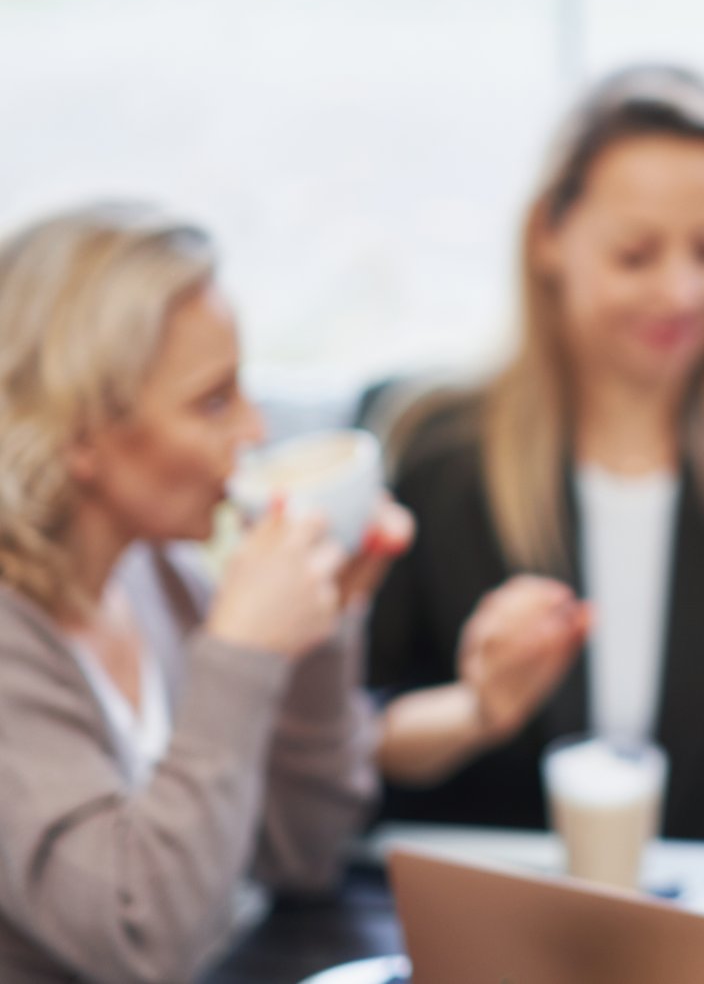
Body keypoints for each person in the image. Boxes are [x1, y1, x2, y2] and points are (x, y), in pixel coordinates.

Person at [368, 64, 704, 848]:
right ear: (547, 238)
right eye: (636, 255)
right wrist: (475, 709)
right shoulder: (430, 448)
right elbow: (345, 739)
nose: (680, 292)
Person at [0, 205, 407, 983]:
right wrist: (241, 653)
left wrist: (322, 630)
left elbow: (300, 854)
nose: (253, 431)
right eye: (213, 401)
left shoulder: (157, 579)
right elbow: (140, 940)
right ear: (80, 433)